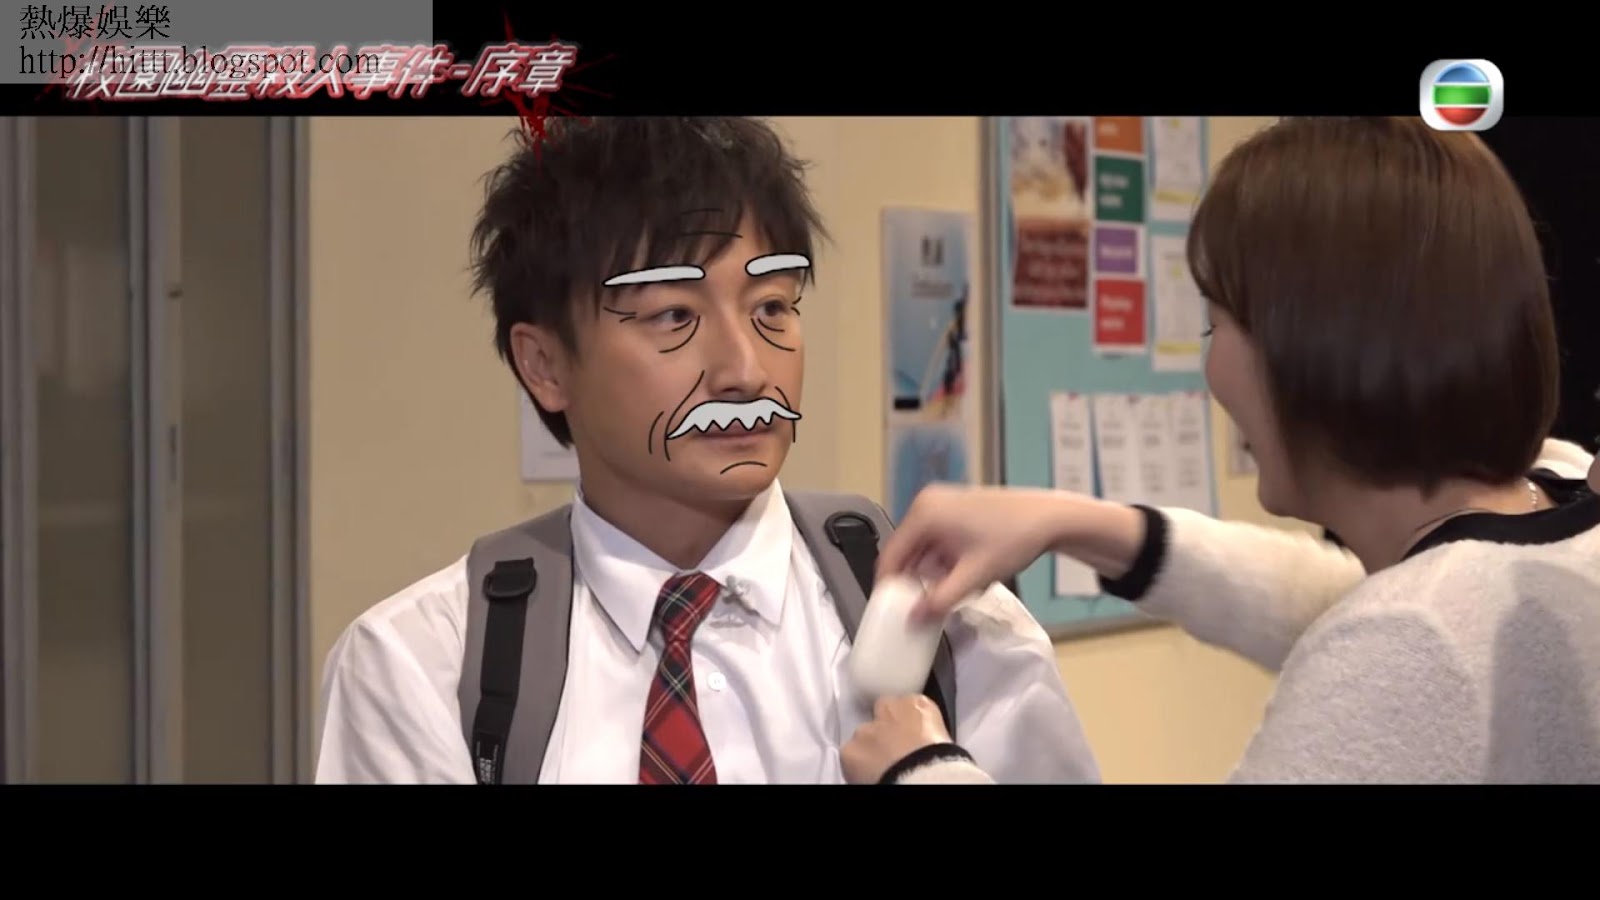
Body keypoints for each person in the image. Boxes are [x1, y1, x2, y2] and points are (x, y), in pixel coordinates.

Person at [313, 116, 1099, 784]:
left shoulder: (955, 630)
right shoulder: (424, 666)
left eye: (772, 307)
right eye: (672, 317)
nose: (746, 370)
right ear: (544, 365)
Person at [841, 116, 1600, 785]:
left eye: (1216, 324)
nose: (1212, 371)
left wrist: (921, 769)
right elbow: (1353, 600)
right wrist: (1075, 522)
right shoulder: (1557, 500)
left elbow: (1401, 634)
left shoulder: (1410, 645)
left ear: (1311, 352)